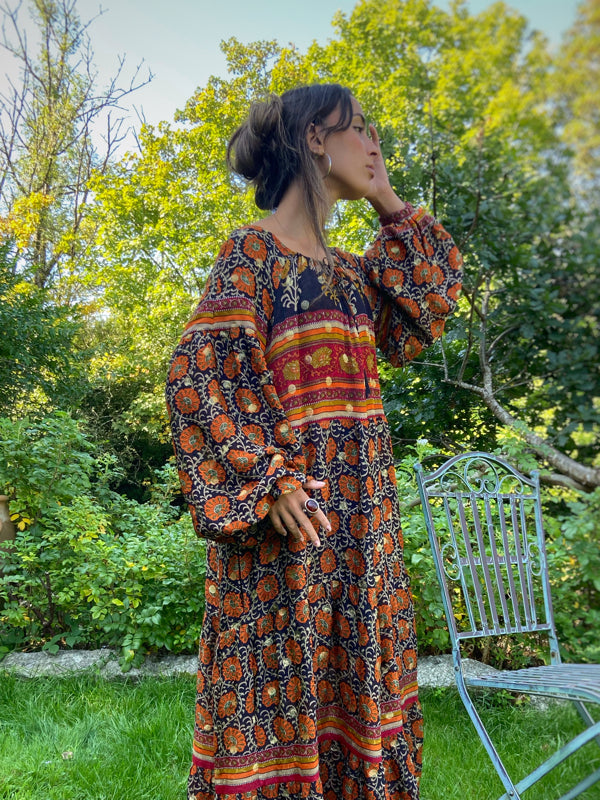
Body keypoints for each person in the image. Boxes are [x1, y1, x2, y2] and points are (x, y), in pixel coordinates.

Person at [166, 83, 463, 800]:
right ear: (313, 140)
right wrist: (266, 482)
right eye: (358, 129)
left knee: (360, 711)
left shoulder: (355, 277)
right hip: (287, 545)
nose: (374, 144)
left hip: (363, 539)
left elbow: (429, 304)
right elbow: (199, 376)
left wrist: (391, 201)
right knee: (280, 710)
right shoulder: (252, 255)